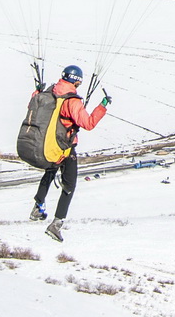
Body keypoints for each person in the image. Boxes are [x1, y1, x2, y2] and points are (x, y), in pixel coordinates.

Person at [19, 64, 109, 239]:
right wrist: (103, 106)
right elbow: (88, 123)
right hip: (65, 148)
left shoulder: (48, 92)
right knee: (69, 185)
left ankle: (38, 206)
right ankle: (56, 223)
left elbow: (32, 104)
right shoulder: (72, 101)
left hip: (47, 144)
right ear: (77, 82)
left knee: (51, 169)